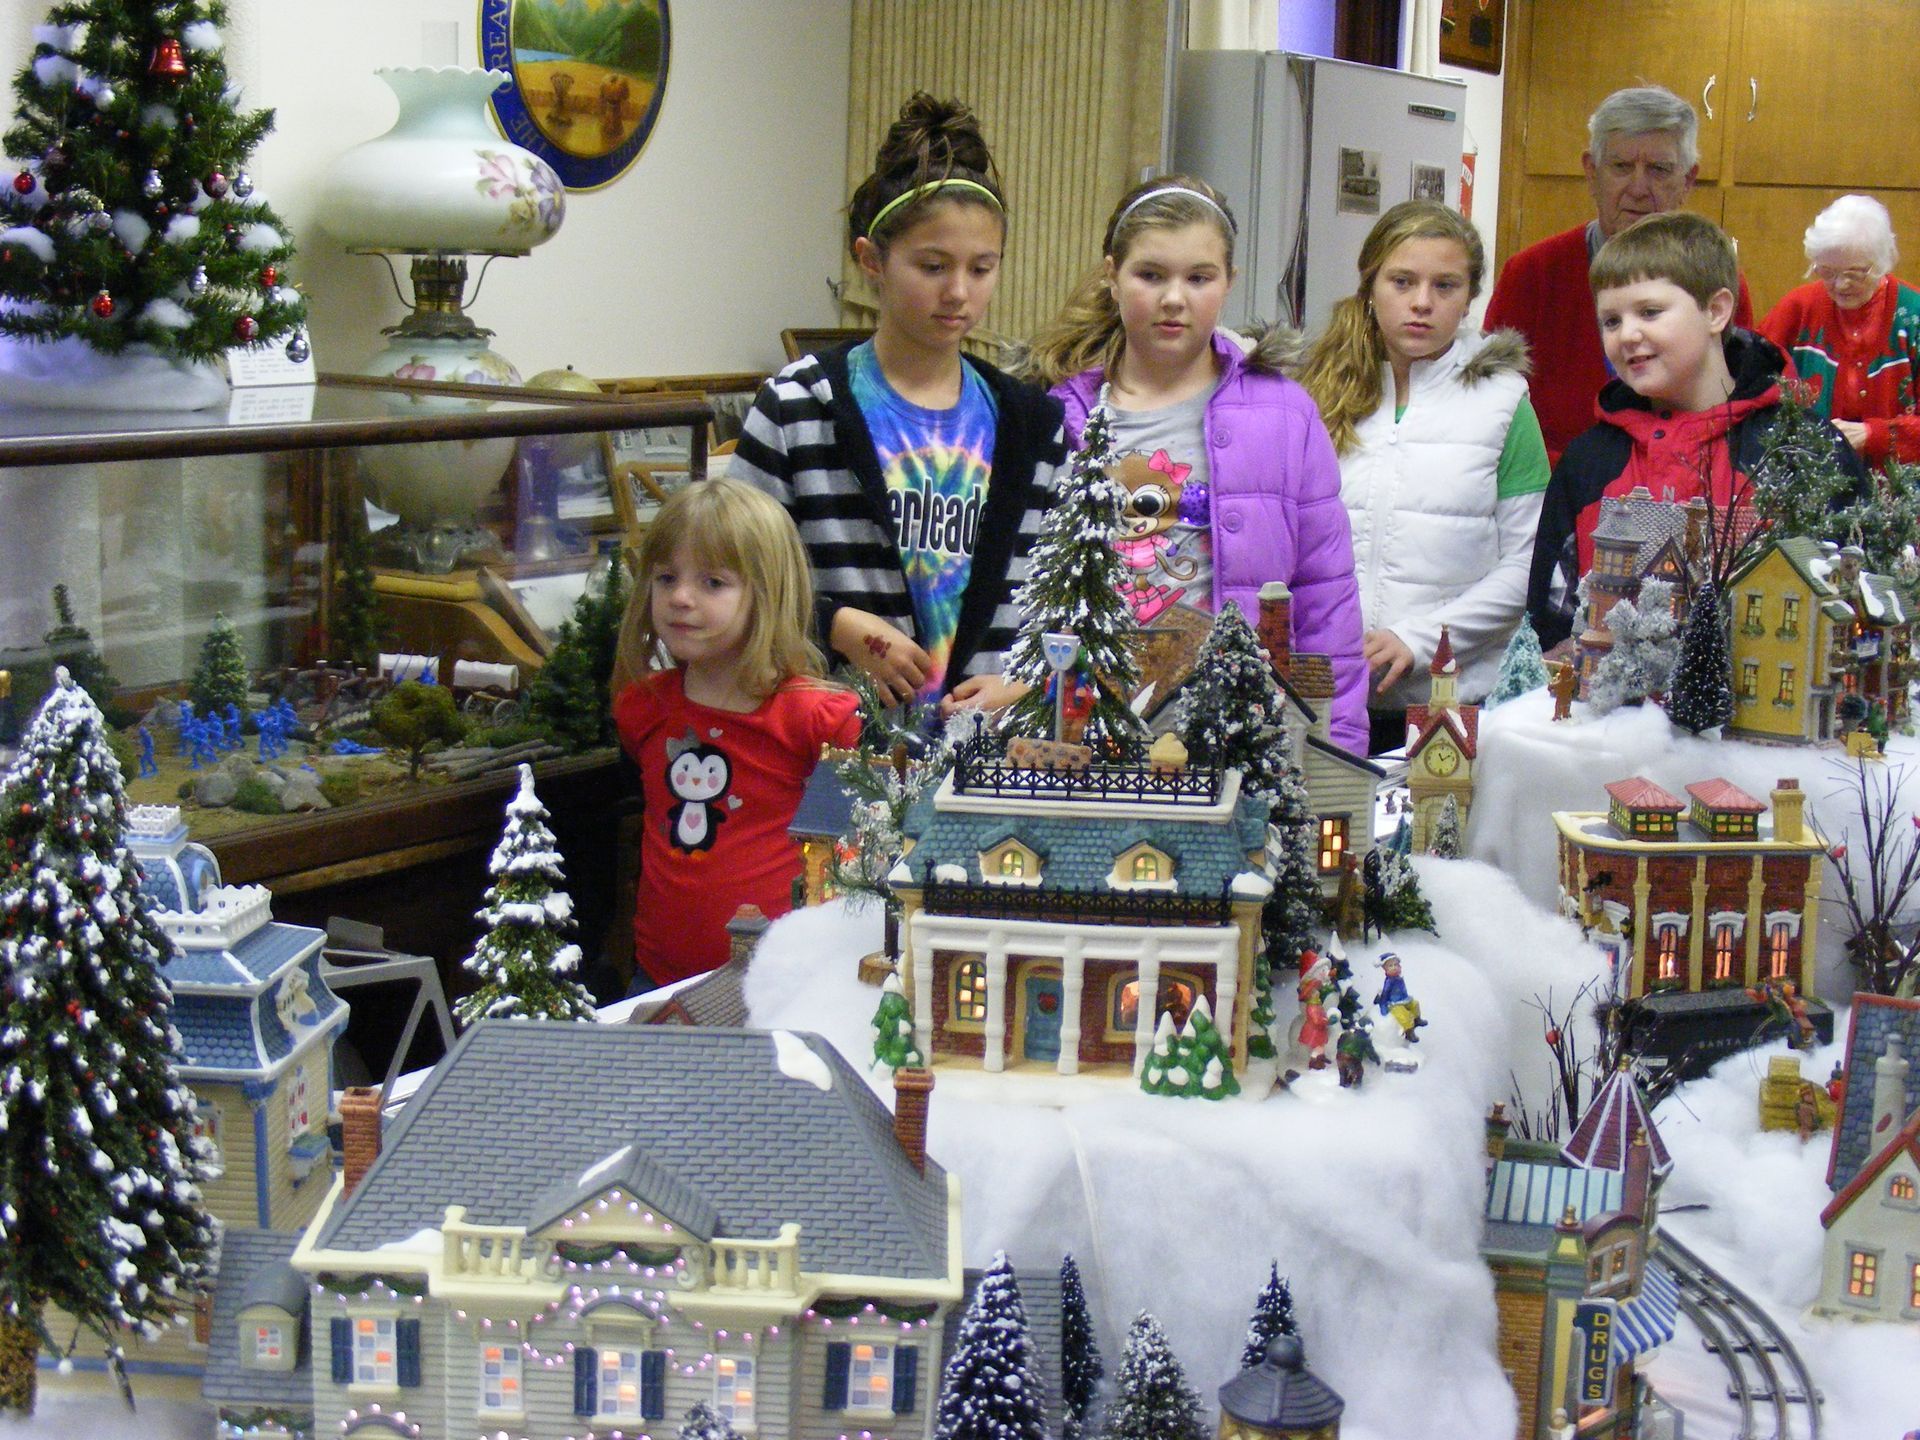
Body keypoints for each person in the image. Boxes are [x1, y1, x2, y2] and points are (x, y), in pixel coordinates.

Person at [730, 93, 1065, 714]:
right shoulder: (797, 407)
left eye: (982, 268)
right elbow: (734, 576)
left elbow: (1075, 604)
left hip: (987, 762)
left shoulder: (1034, 425)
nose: (959, 293)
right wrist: (832, 623)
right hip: (835, 754)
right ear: (871, 261)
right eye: (932, 266)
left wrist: (1027, 683)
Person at [1022, 174, 1367, 754]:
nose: (1174, 298)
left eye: (1199, 277)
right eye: (1150, 275)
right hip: (1085, 726)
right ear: (1111, 276)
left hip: (1235, 732)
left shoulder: (1285, 413)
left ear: (1228, 282)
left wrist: (1340, 750)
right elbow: (1021, 590)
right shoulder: (1054, 415)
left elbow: (1326, 599)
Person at [1525, 212, 1865, 649]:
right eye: (1611, 321)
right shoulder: (1589, 461)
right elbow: (1551, 619)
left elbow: (1852, 599)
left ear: (1716, 310)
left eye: (1650, 311)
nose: (1627, 334)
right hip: (1609, 712)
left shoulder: (1801, 451)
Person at [1294, 200, 1547, 752]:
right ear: (1370, 285)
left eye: (1446, 286)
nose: (1422, 303)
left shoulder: (1505, 403)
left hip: (1451, 696)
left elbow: (1525, 565)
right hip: (1327, 694)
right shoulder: (1311, 396)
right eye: (1402, 281)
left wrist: (1418, 638)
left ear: (1470, 298)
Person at [611, 478, 863, 988]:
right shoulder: (644, 706)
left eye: (712, 583)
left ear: (766, 594)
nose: (680, 598)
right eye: (665, 578)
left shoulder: (820, 719)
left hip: (780, 979)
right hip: (660, 975)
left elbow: (852, 856)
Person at [1485, 86, 1755, 465]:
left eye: (1659, 170)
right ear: (1591, 173)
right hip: (1553, 492)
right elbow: (1491, 411)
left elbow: (1741, 410)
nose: (1639, 189)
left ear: (1688, 181)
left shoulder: (1717, 283)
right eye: (1621, 167)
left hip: (1686, 491)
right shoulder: (1532, 275)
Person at [1759, 194, 1920, 467]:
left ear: (1882, 263)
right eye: (1827, 272)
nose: (1841, 284)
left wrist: (1874, 435)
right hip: (1807, 482)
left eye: (1855, 273)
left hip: (1901, 497)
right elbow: (1749, 387)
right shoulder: (1798, 309)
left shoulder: (1913, 316)